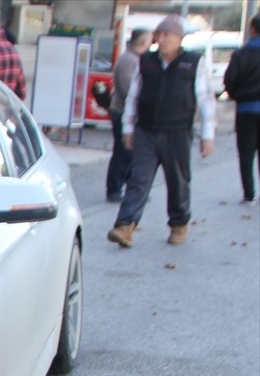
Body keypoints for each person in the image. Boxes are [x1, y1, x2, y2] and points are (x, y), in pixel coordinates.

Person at [108, 14, 217, 248]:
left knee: (178, 180)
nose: (163, 39)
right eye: (160, 34)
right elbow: (133, 96)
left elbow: (206, 100)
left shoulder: (194, 63)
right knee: (138, 178)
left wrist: (207, 135)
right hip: (146, 129)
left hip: (177, 130)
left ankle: (178, 224)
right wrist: (128, 127)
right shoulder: (146, 61)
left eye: (168, 35)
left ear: (180, 39)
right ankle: (125, 225)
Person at [106, 29, 151, 203]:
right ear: (143, 41)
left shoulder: (138, 59)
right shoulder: (127, 61)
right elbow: (127, 90)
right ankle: (114, 188)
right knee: (123, 153)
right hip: (122, 112)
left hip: (133, 114)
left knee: (133, 154)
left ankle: (131, 188)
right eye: (149, 40)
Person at [224, 13, 260, 204]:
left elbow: (229, 81)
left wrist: (237, 97)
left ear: (253, 29)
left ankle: (249, 193)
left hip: (246, 109)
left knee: (246, 153)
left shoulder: (240, 54)